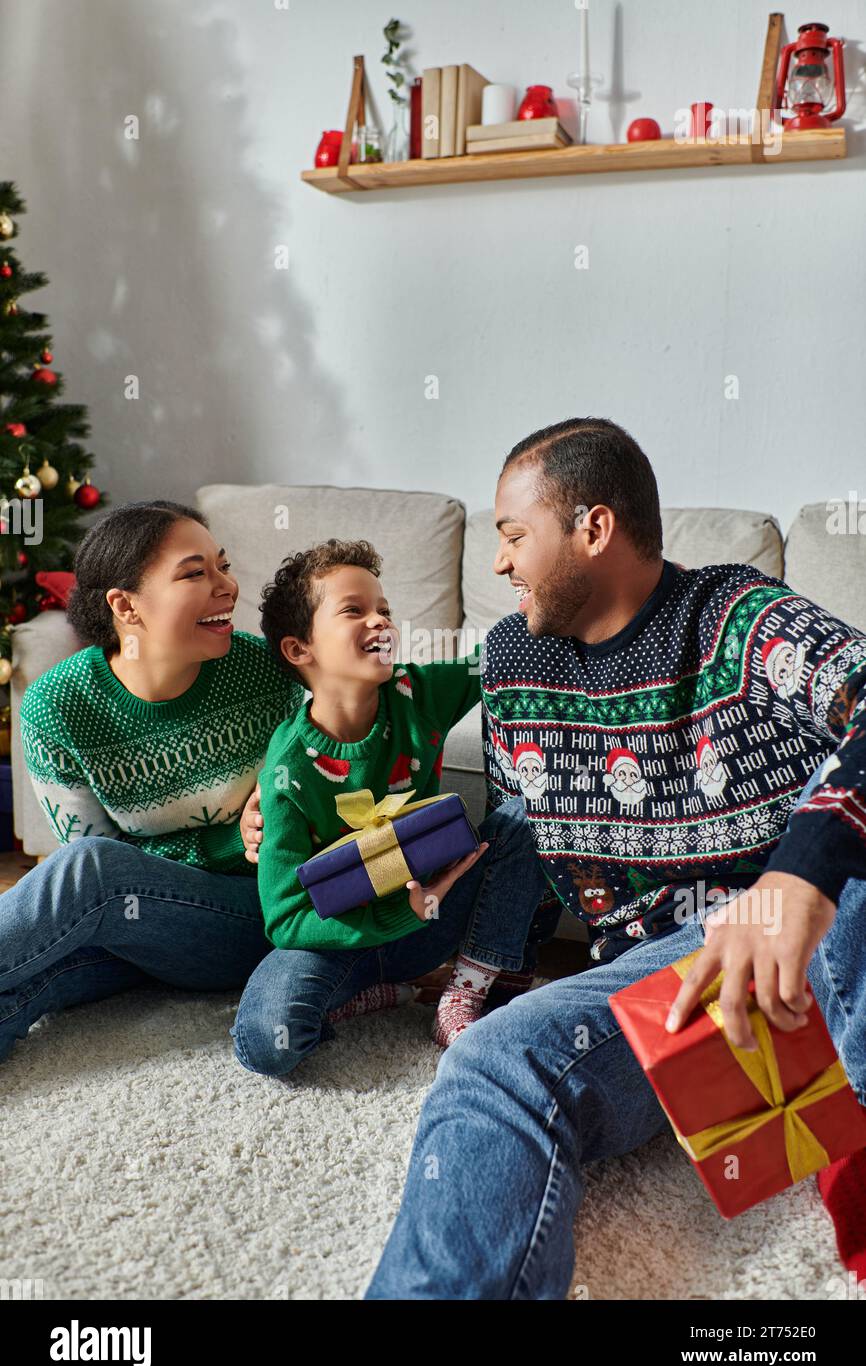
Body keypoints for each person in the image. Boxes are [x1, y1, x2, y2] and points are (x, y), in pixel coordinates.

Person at [363, 416, 866, 1299]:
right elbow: (530, 817)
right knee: (490, 1064)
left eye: (514, 536)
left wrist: (796, 877)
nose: (498, 564)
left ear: (593, 530)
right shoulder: (513, 660)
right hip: (675, 996)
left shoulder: (741, 617)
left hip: (809, 949)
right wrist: (466, 866)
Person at [230, 538, 551, 1077]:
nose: (380, 621)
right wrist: (402, 911)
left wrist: (544, 590)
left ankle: (463, 991)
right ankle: (386, 992)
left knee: (525, 816)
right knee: (267, 1043)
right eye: (354, 610)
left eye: (384, 610)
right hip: (338, 945)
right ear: (298, 650)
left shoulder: (415, 694)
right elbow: (285, 920)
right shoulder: (286, 773)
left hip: (434, 920)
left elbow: (495, 657)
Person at [1, 499, 304, 1062]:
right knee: (29, 983)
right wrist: (227, 839)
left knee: (90, 869)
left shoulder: (270, 670)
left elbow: (101, 873)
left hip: (259, 915)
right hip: (144, 927)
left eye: (223, 565)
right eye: (195, 573)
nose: (228, 586)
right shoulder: (58, 707)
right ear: (124, 604)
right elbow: (114, 879)